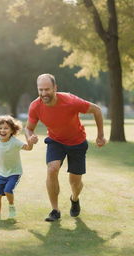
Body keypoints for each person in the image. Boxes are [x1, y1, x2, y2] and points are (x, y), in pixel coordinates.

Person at [25, 73, 106, 222]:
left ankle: (74, 198)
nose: (44, 93)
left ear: (55, 88)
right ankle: (55, 210)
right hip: (56, 141)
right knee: (52, 169)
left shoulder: (71, 101)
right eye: (40, 90)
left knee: (75, 182)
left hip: (77, 142)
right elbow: (29, 128)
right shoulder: (35, 106)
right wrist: (30, 137)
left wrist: (100, 135)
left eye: (47, 89)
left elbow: (96, 110)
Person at [0, 115, 35, 220]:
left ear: (12, 130)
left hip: (15, 173)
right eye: (0, 128)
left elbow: (28, 148)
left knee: (8, 190)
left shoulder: (15, 142)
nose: (2, 130)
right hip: (2, 173)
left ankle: (11, 206)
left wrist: (31, 141)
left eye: (6, 128)